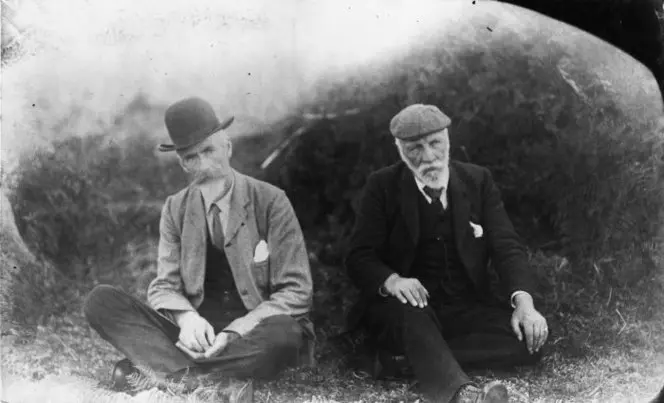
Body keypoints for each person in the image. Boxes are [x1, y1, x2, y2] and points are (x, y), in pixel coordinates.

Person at [84, 97, 314, 402]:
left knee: (285, 334)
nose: (203, 164)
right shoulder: (175, 208)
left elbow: (297, 291)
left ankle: (169, 374)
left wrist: (237, 330)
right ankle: (212, 384)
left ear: (228, 147)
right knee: (101, 301)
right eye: (192, 157)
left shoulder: (271, 201)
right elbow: (165, 285)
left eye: (209, 150)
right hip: (195, 337)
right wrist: (186, 320)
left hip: (252, 335)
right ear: (182, 163)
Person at [344, 104, 549, 403]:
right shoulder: (382, 186)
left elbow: (507, 247)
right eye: (415, 148)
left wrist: (525, 304)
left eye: (435, 143)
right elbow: (358, 256)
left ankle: (404, 360)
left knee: (531, 340)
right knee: (411, 316)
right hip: (406, 310)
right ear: (399, 149)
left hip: (464, 308)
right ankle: (463, 394)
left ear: (448, 140)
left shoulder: (478, 181)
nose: (428, 157)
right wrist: (393, 281)